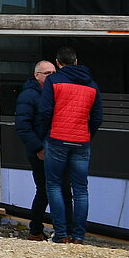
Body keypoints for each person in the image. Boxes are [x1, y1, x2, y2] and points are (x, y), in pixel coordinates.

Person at [36, 46, 103, 245]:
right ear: (76, 61)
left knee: (54, 186)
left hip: (57, 138)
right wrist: (87, 133)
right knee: (81, 190)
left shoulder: (54, 81)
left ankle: (62, 233)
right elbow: (98, 117)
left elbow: (45, 111)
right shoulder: (92, 84)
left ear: (58, 63)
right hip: (81, 141)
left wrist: (44, 136)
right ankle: (79, 236)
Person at [14, 59, 72, 240]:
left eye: (54, 73)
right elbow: (23, 126)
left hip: (57, 148)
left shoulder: (55, 92)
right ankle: (37, 230)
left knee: (61, 189)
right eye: (48, 74)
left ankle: (60, 230)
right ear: (37, 75)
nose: (52, 77)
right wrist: (38, 148)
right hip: (40, 151)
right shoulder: (29, 95)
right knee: (46, 190)